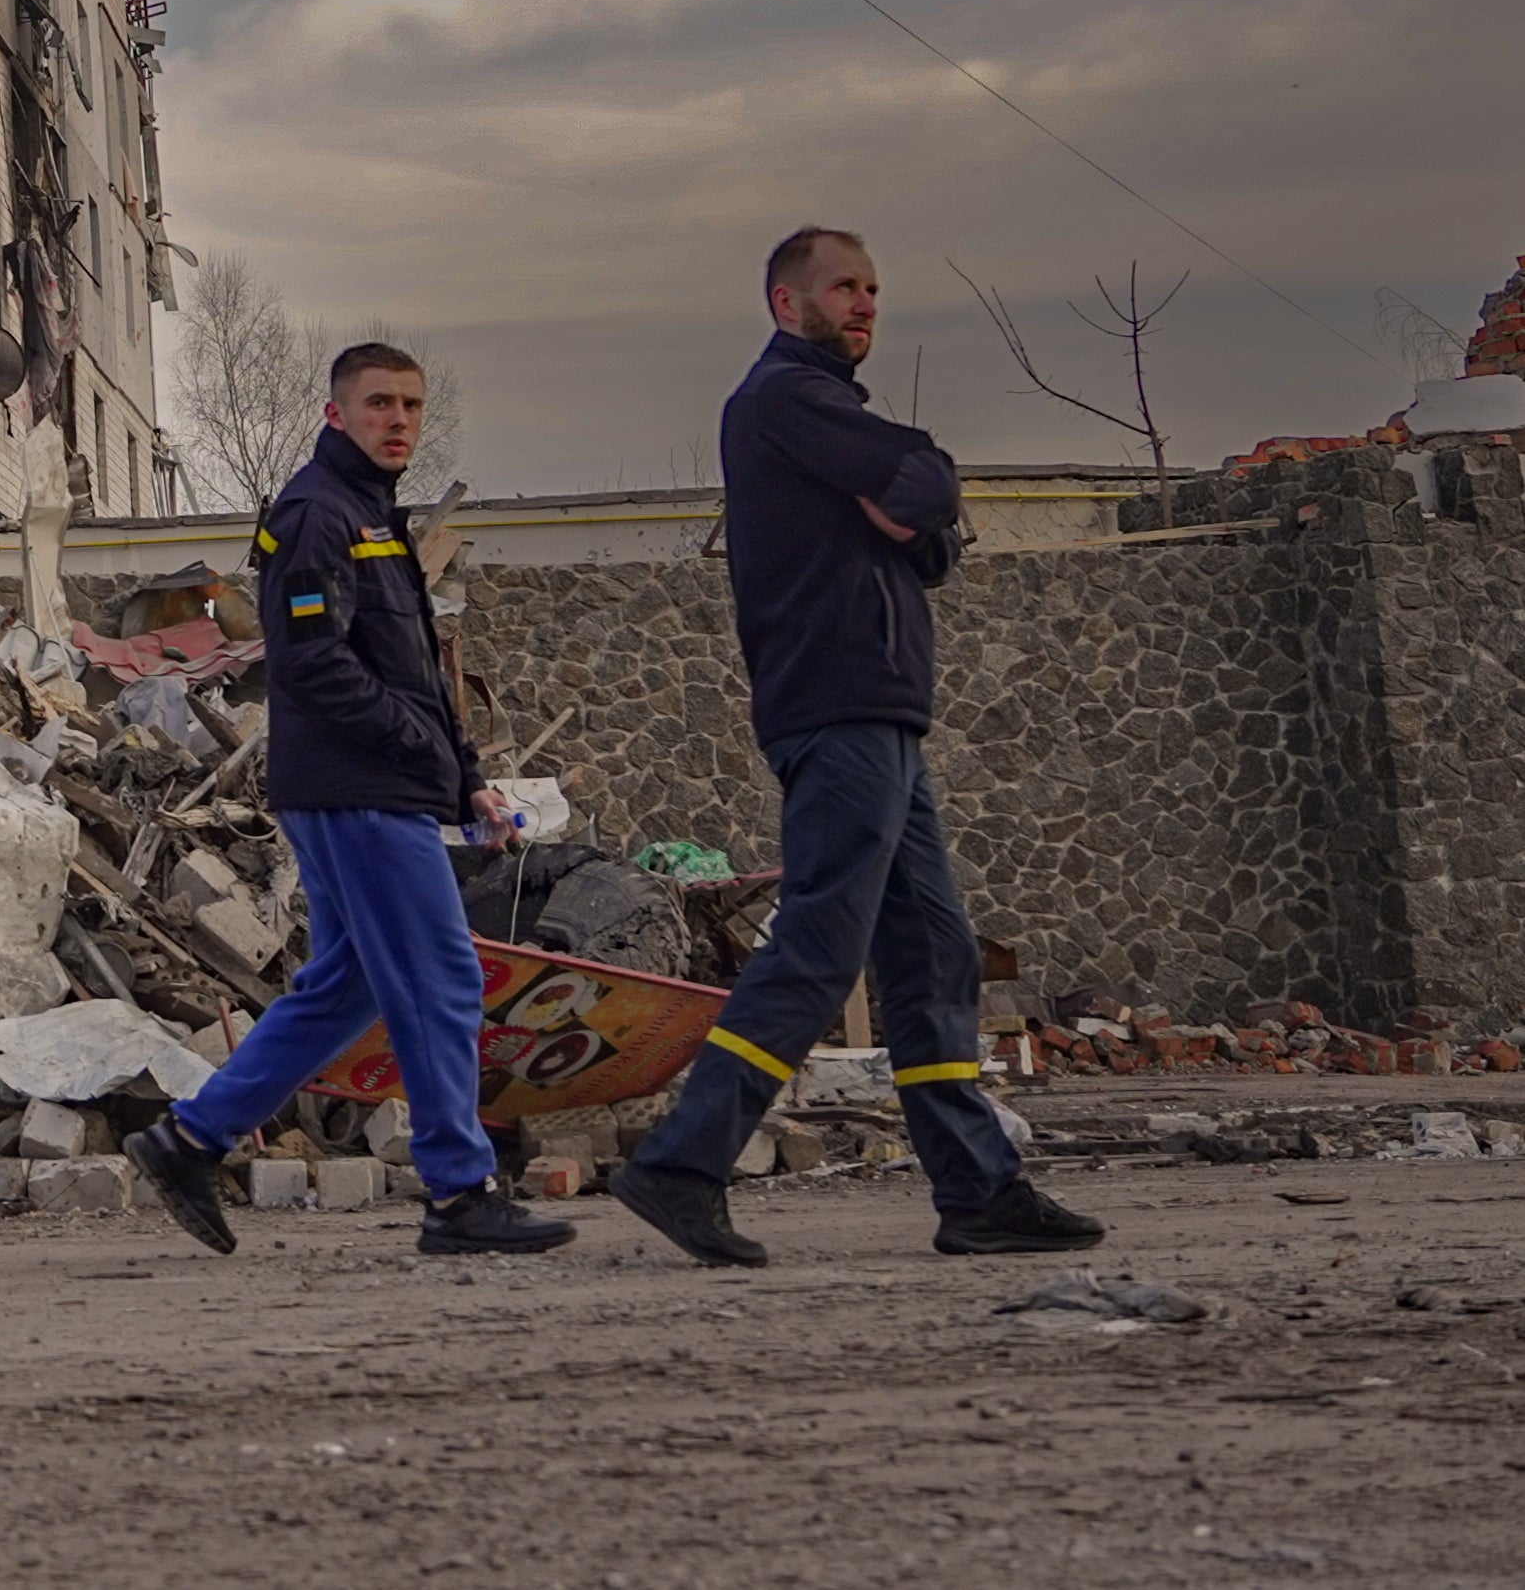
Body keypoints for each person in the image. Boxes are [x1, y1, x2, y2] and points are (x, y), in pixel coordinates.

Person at [610, 228, 1103, 1267]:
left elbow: (927, 533)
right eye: (844, 287)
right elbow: (920, 478)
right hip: (834, 707)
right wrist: (909, 481)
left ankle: (977, 1191)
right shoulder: (782, 401)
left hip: (880, 714)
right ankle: (682, 1163)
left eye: (874, 287)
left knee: (931, 954)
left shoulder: (831, 412)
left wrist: (912, 489)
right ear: (787, 304)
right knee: (820, 946)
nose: (865, 303)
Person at [127, 343, 572, 1259]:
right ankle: (457, 1192)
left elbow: (409, 673)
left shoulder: (375, 515)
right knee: (442, 977)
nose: (397, 418)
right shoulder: (315, 514)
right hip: (355, 792)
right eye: (377, 403)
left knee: (349, 985)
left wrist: (464, 778)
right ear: (336, 414)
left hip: (381, 786)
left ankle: (187, 1138)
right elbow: (312, 664)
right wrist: (415, 755)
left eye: (409, 403)